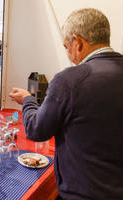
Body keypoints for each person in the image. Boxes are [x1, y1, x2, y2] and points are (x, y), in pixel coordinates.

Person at [9, 8, 123, 199]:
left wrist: (28, 100)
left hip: (84, 192)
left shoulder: (70, 80)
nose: (68, 54)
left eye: (65, 46)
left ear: (77, 42)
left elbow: (37, 130)